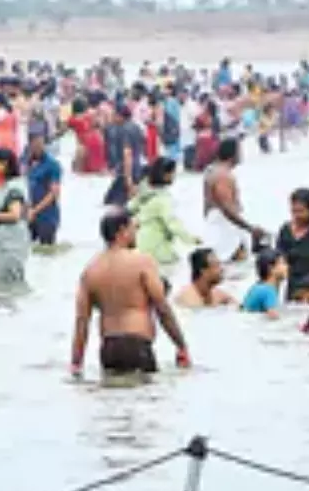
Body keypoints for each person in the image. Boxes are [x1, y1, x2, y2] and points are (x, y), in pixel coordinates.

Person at [72, 209, 191, 376]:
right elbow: (162, 308)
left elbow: (82, 322)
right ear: (122, 231)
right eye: (134, 228)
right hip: (137, 344)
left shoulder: (91, 270)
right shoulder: (142, 262)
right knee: (144, 397)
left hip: (109, 348)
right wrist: (181, 345)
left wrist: (76, 363)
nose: (136, 233)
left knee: (114, 398)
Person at [127, 157, 198, 277]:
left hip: (140, 244)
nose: (174, 176)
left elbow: (130, 207)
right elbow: (173, 224)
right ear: (165, 175)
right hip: (157, 247)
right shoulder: (163, 200)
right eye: (173, 173)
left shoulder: (144, 190)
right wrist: (191, 239)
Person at [202, 138, 265, 263]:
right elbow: (226, 208)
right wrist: (250, 228)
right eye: (240, 151)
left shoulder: (211, 170)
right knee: (233, 260)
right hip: (225, 227)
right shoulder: (223, 176)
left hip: (216, 224)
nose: (242, 155)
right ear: (233, 154)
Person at [0, 147, 30, 287]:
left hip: (11, 244)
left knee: (10, 282)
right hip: (1, 243)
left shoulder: (14, 188)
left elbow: (15, 215)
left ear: (5, 164)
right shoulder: (4, 187)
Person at [25, 132, 62, 247]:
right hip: (28, 213)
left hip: (47, 216)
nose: (38, 147)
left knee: (46, 249)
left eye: (41, 144)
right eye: (35, 144)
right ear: (30, 145)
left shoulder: (53, 165)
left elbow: (54, 194)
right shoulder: (25, 162)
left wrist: (34, 211)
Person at [242, 249, 288, 319]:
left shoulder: (257, 286)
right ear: (271, 268)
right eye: (283, 263)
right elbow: (274, 318)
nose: (286, 267)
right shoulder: (268, 291)